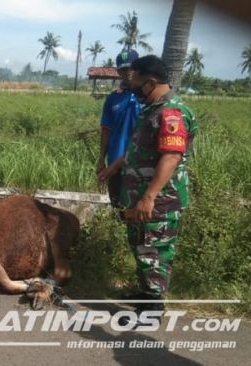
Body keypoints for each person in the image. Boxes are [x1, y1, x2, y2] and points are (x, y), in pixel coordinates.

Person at [102, 55, 197, 327]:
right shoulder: (151, 109)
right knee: (142, 246)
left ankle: (152, 310)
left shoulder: (171, 114)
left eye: (139, 84)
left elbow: (170, 157)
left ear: (151, 82)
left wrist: (149, 196)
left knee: (155, 250)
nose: (135, 89)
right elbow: (136, 150)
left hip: (159, 200)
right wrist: (115, 167)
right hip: (139, 195)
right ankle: (145, 295)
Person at [96, 49, 141, 209]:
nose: (127, 73)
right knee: (118, 207)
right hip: (114, 162)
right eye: (123, 69)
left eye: (130, 68)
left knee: (137, 208)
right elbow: (106, 130)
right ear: (118, 71)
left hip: (140, 163)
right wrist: (102, 158)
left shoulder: (147, 97)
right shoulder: (112, 98)